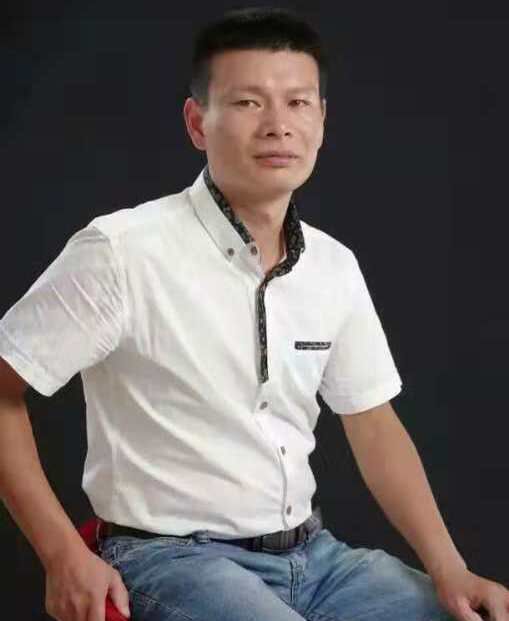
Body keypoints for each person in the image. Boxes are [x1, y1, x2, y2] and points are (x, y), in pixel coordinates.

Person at [0, 6, 507, 621]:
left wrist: (450, 568)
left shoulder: (333, 265)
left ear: (321, 121)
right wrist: (60, 554)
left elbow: (373, 423)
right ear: (197, 123)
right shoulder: (122, 251)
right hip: (168, 558)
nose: (278, 126)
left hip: (315, 560)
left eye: (298, 103)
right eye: (247, 103)